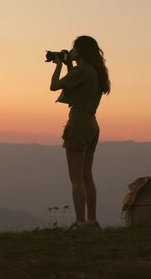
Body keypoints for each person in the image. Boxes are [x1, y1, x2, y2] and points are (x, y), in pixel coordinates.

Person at [49, 35, 111, 229]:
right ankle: (91, 220)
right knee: (86, 175)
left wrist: (58, 64)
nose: (72, 52)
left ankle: (80, 222)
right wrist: (69, 65)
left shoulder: (82, 70)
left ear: (81, 51)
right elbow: (76, 87)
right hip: (92, 124)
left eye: (74, 49)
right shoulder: (94, 72)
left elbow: (54, 86)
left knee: (76, 178)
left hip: (78, 123)